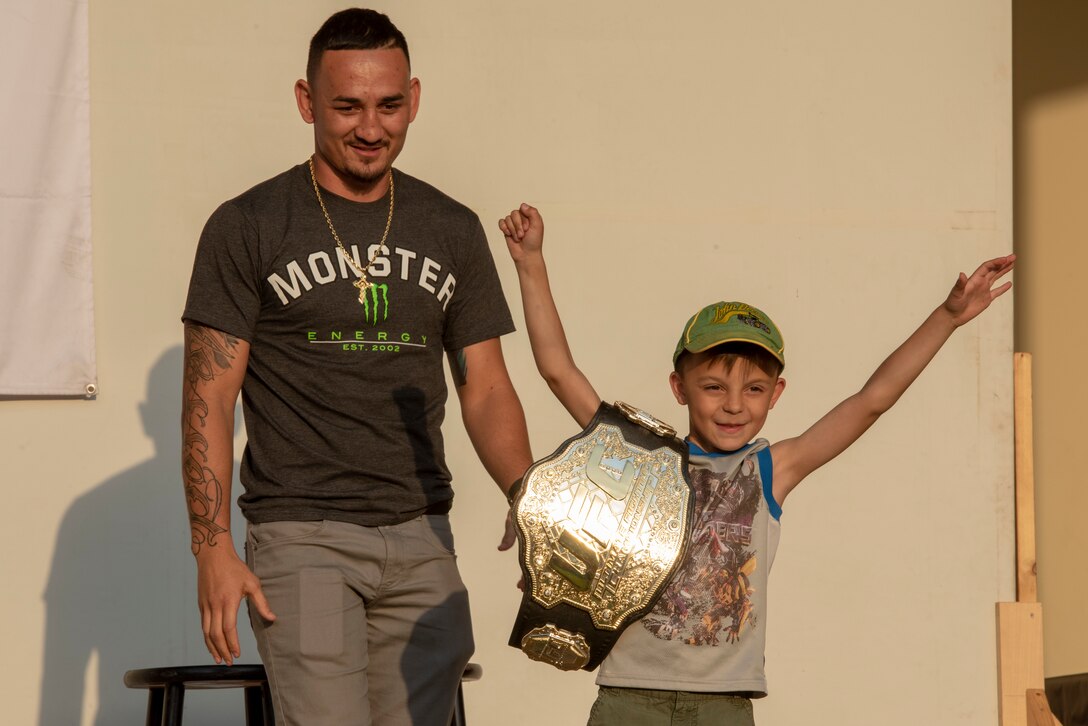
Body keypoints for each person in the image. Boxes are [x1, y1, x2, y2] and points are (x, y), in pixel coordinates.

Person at [499, 203, 1014, 726]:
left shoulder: (771, 468)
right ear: (679, 388)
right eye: (714, 386)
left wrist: (947, 317)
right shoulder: (637, 455)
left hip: (725, 702)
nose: (733, 405)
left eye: (754, 389)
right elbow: (559, 370)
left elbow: (871, 400)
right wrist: (531, 262)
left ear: (776, 395)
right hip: (629, 696)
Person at [180, 9, 533, 725]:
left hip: (422, 537)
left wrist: (529, 497)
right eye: (347, 106)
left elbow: (487, 386)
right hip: (302, 538)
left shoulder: (451, 227)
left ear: (414, 99)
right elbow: (209, 399)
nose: (371, 128)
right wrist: (212, 549)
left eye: (388, 105)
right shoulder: (248, 225)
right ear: (307, 102)